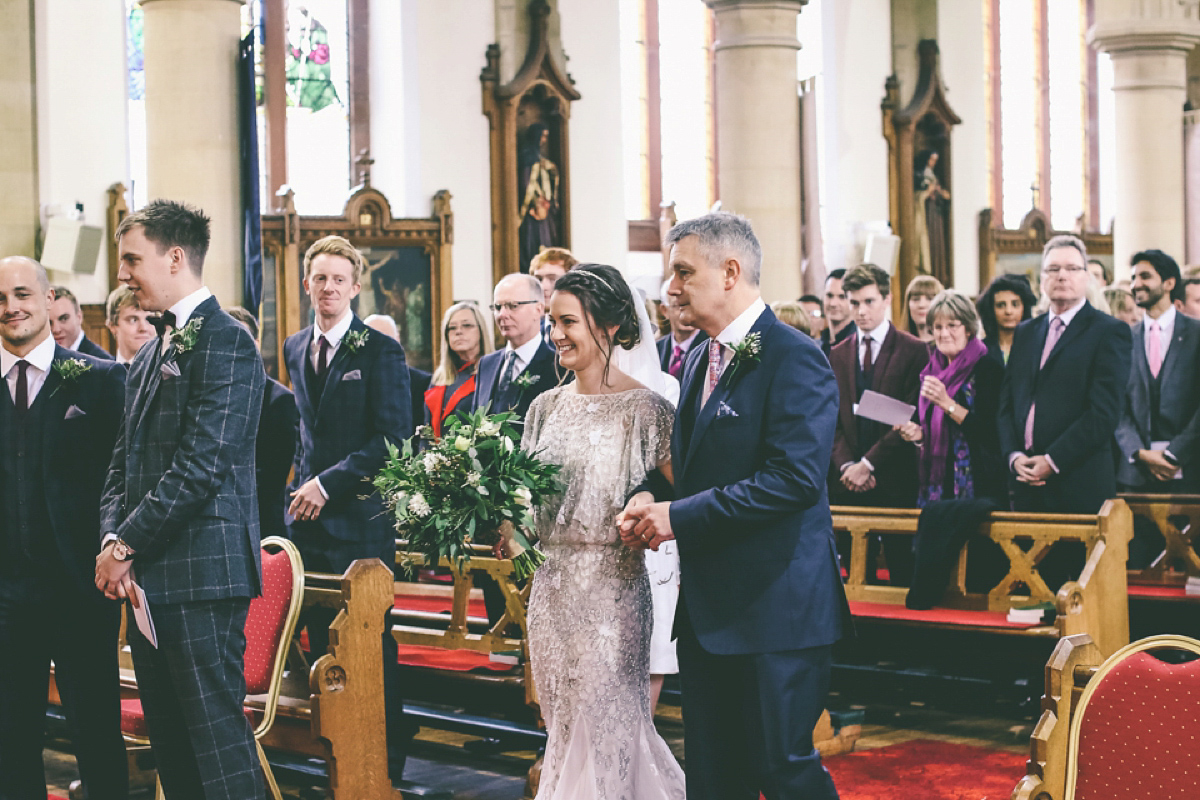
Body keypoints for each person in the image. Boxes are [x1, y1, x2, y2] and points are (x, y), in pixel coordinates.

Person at [621, 212, 848, 800]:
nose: (670, 287)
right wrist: (651, 492)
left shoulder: (793, 356)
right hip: (711, 610)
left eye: (682, 272)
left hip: (777, 607)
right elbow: (693, 467)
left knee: (783, 768)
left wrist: (679, 518)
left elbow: (793, 481)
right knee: (716, 777)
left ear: (730, 271)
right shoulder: (700, 357)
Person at [96, 199, 266, 799]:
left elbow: (201, 466)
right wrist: (113, 543)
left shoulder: (228, 344)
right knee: (171, 743)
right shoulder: (148, 355)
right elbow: (120, 462)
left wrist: (125, 541)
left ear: (174, 257)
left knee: (217, 745)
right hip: (149, 580)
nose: (122, 274)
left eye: (130, 259)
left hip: (202, 578)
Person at [509, 263, 685, 798]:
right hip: (551, 591)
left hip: (613, 595)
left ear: (607, 327)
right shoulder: (543, 408)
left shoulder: (648, 412)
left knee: (608, 720)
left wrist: (650, 499)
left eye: (568, 322)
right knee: (562, 724)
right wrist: (510, 526)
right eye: (552, 323)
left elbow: (689, 493)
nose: (556, 335)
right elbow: (521, 494)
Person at [282, 234, 415, 779]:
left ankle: (386, 767)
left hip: (359, 526)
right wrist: (298, 485)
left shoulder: (379, 349)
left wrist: (327, 484)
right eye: (320, 278)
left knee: (369, 651)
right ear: (307, 284)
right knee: (319, 650)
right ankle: (337, 760)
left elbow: (393, 439)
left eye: (339, 279)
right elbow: (304, 432)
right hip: (308, 526)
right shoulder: (294, 346)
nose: (329, 287)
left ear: (356, 286)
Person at [0, 256, 128, 800]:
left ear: (50, 301)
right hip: (6, 593)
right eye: (1, 299)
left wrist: (115, 548)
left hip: (81, 586)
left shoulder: (100, 382)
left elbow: (124, 477)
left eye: (23, 294)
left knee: (96, 730)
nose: (11, 307)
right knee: (12, 737)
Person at [997, 234, 1132, 524]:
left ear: (1086, 277)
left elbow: (1103, 414)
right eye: (1053, 269)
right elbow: (1007, 404)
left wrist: (1052, 460)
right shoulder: (1025, 332)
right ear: (1042, 279)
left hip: (1078, 482)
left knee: (1080, 569)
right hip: (1024, 483)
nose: (1062, 276)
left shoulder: (1109, 332)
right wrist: (1014, 456)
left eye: (1071, 268)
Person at [829, 263, 929, 585]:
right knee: (855, 579)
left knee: (901, 572)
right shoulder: (837, 354)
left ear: (887, 299)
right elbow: (830, 419)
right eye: (854, 302)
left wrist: (869, 465)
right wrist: (847, 466)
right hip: (847, 482)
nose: (860, 311)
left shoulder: (914, 350)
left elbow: (909, 416)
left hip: (894, 476)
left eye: (869, 302)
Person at [896, 291, 1006, 505]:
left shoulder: (988, 368)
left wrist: (948, 404)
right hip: (935, 484)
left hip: (977, 484)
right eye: (937, 327)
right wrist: (917, 435)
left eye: (952, 326)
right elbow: (925, 425)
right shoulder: (930, 369)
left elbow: (991, 434)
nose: (944, 334)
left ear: (968, 329)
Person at [1116, 250, 1200, 495]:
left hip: (1190, 468)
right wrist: (1138, 452)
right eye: (1133, 278)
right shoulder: (1123, 338)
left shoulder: (1196, 334)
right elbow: (1116, 402)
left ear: (1169, 283)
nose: (1136, 284)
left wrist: (1174, 453)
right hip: (1135, 474)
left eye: (1145, 276)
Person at [227, 306, 298, 541]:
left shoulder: (279, 401)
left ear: (256, 344)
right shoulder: (207, 395)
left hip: (260, 529)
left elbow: (270, 479)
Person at [472, 273, 559, 424]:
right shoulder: (486, 364)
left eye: (513, 306)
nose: (502, 315)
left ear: (538, 309)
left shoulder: (558, 367)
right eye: (498, 307)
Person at [425, 300, 494, 436]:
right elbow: (426, 429)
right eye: (452, 328)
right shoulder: (439, 377)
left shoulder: (493, 373)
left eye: (467, 325)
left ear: (481, 331)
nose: (458, 332)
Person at [365, 313, 430, 432]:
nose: (379, 346)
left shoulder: (423, 383)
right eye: (372, 340)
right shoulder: (355, 384)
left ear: (397, 338)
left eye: (385, 339)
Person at [518, 124, 562, 273]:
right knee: (534, 240)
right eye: (542, 136)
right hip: (533, 209)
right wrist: (536, 201)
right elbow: (527, 182)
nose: (544, 140)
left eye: (546, 137)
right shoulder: (528, 156)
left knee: (547, 239)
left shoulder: (540, 158)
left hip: (544, 206)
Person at [976, 274, 1037, 366]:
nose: (1008, 311)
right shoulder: (980, 351)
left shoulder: (1037, 348)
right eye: (1001, 305)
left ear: (1024, 308)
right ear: (991, 309)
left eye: (1015, 304)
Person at [657, 277, 708, 378]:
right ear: (664, 311)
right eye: (679, 306)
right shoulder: (656, 349)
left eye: (691, 305)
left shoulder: (709, 347)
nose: (686, 313)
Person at [914, 149, 951, 280]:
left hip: (935, 216)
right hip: (926, 215)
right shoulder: (919, 175)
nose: (933, 163)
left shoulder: (934, 176)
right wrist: (928, 192)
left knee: (936, 246)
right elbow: (918, 196)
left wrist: (941, 194)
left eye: (935, 160)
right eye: (931, 159)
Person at [49, 284, 112, 359]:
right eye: (49, 322)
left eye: (63, 319)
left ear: (79, 317)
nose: (56, 329)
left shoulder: (103, 362)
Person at [104, 284, 156, 366]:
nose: (143, 328)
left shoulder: (170, 373)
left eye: (149, 319)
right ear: (113, 326)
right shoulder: (101, 374)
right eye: (133, 320)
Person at [821, 268, 856, 358]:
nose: (833, 303)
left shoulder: (859, 344)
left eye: (842, 297)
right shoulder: (819, 343)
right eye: (829, 295)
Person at [901, 274, 944, 342]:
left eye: (930, 299)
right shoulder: (898, 345)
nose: (922, 305)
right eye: (916, 299)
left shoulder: (949, 347)